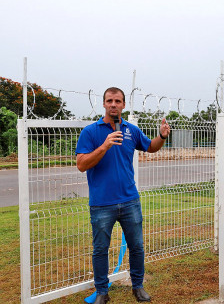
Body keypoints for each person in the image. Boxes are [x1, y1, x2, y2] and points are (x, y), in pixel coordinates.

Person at [76, 87, 170, 304]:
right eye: (109, 100)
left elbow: (150, 147)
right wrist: (105, 145)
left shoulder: (130, 130)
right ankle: (102, 292)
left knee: (137, 246)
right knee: (100, 249)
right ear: (104, 104)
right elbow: (81, 164)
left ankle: (138, 287)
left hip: (130, 201)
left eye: (118, 101)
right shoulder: (90, 132)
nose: (113, 104)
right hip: (102, 204)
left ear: (123, 105)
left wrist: (162, 136)